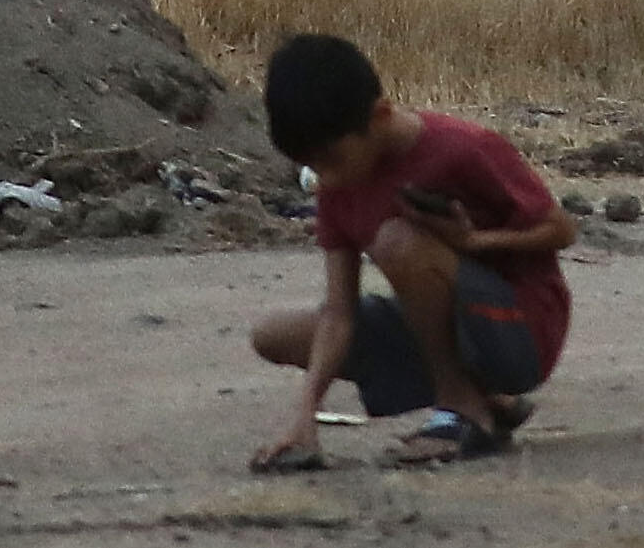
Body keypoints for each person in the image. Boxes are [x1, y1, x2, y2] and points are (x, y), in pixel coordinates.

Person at [246, 31, 576, 470]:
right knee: (273, 333)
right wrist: (304, 420)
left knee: (398, 243)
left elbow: (560, 229)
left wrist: (473, 243)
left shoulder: (462, 148)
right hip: (446, 331)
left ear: (380, 116)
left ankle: (460, 408)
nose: (324, 177)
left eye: (331, 160)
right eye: (312, 166)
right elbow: (339, 312)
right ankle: (487, 400)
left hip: (521, 330)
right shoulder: (339, 185)